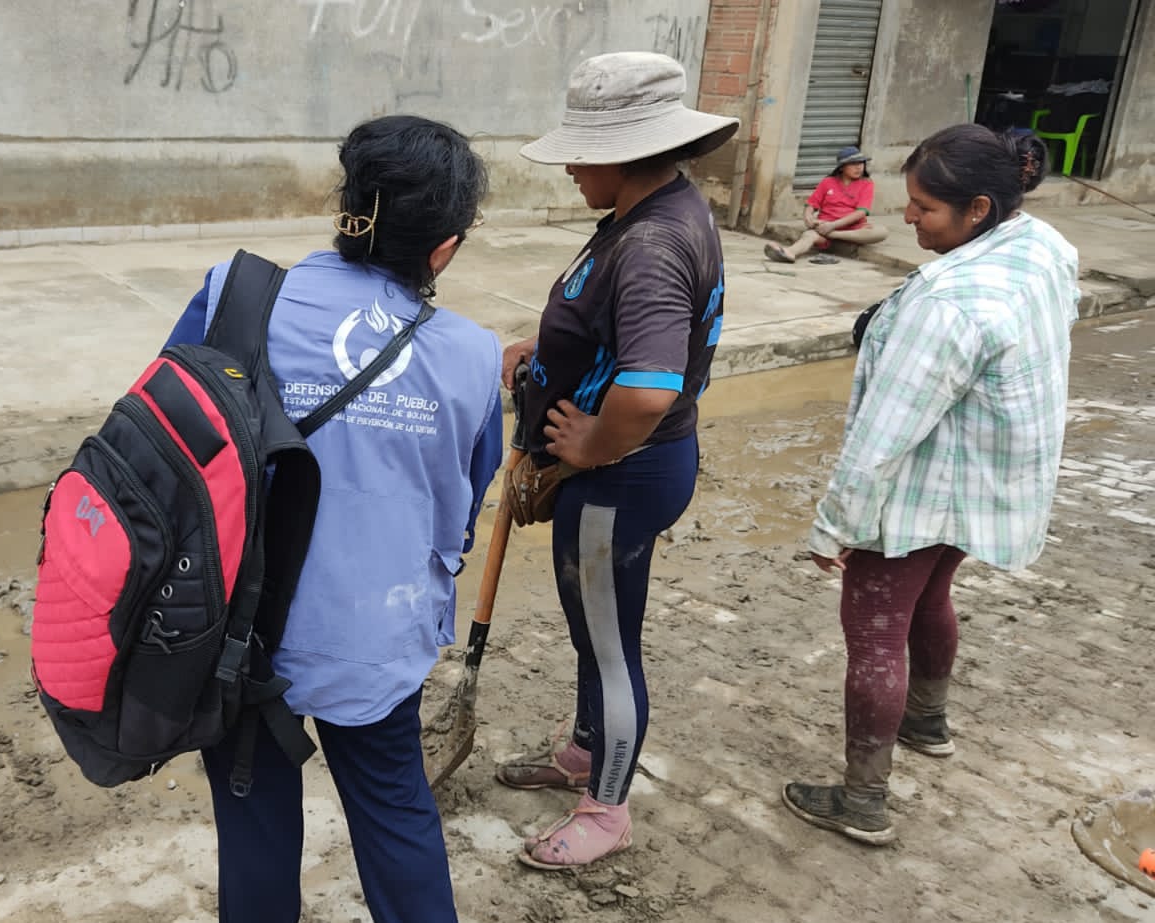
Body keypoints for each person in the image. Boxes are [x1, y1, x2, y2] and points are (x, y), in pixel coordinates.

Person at [163, 115, 503, 922]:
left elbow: (170, 444)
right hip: (377, 639)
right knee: (395, 814)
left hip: (237, 632)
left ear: (349, 209)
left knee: (254, 834)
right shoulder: (474, 354)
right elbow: (462, 509)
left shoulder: (230, 296)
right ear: (445, 246)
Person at [784, 124, 1077, 845]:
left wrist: (834, 527)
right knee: (932, 593)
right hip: (988, 476)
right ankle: (927, 721)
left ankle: (862, 800)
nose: (908, 217)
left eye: (924, 208)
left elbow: (882, 435)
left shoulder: (949, 301)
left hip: (926, 484)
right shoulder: (1042, 247)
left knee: (875, 631)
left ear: (978, 208)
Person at [493, 52, 737, 870]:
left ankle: (606, 806)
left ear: (625, 151)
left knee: (607, 640)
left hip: (620, 478)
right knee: (595, 624)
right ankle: (586, 747)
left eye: (580, 151)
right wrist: (549, 345)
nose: (568, 165)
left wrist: (589, 443)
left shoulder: (653, 243)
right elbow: (621, 333)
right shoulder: (654, 211)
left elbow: (644, 390)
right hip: (623, 474)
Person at [765, 146, 890, 263]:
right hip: (823, 229)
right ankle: (789, 252)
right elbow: (811, 205)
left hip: (850, 231)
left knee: (881, 231)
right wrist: (808, 217)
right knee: (808, 235)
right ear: (841, 167)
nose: (859, 167)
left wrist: (833, 227)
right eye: (853, 164)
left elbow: (861, 212)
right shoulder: (827, 182)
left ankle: (833, 235)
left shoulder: (866, 184)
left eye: (861, 163)